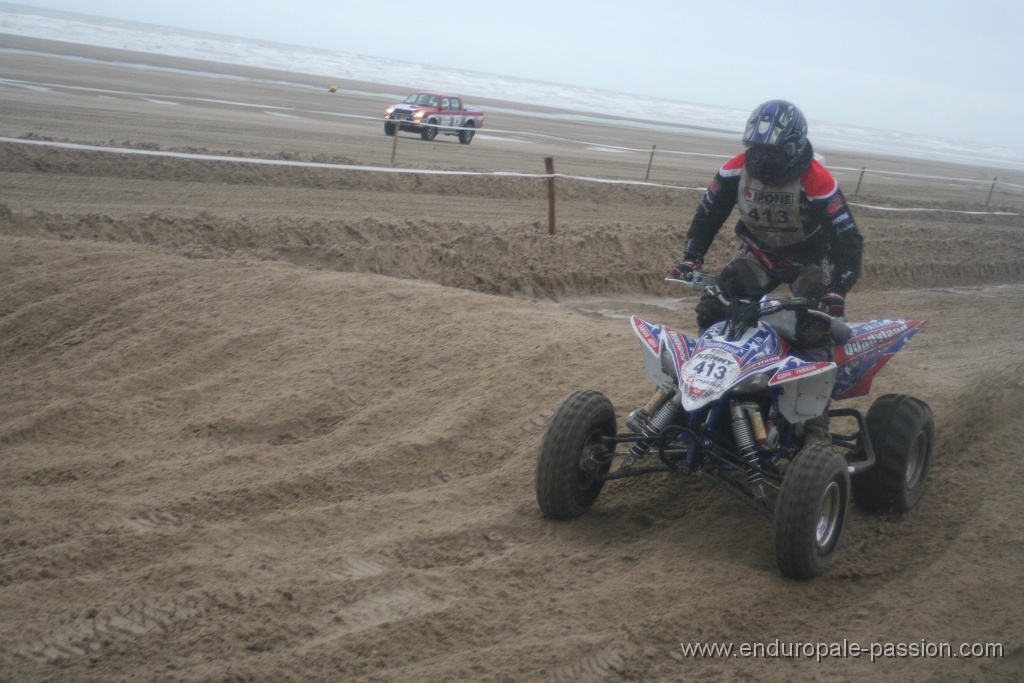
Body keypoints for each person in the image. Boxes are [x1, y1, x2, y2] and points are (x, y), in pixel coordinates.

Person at [671, 99, 864, 444]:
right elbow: (707, 216)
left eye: (772, 152)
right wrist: (692, 257)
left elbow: (849, 240)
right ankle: (709, 391)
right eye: (756, 149)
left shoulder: (817, 180)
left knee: (814, 329)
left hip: (810, 261)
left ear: (794, 148)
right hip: (758, 254)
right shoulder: (734, 169)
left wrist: (838, 289)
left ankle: (815, 423)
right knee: (714, 309)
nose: (762, 158)